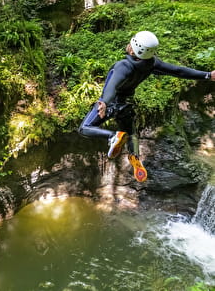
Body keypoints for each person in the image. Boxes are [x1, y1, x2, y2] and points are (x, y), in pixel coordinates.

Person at [78, 31, 215, 183]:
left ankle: (112, 136)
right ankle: (135, 157)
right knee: (131, 133)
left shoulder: (124, 65)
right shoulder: (151, 63)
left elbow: (113, 85)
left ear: (133, 48)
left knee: (85, 127)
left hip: (111, 104)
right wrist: (207, 75)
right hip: (127, 105)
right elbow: (178, 71)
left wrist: (104, 102)